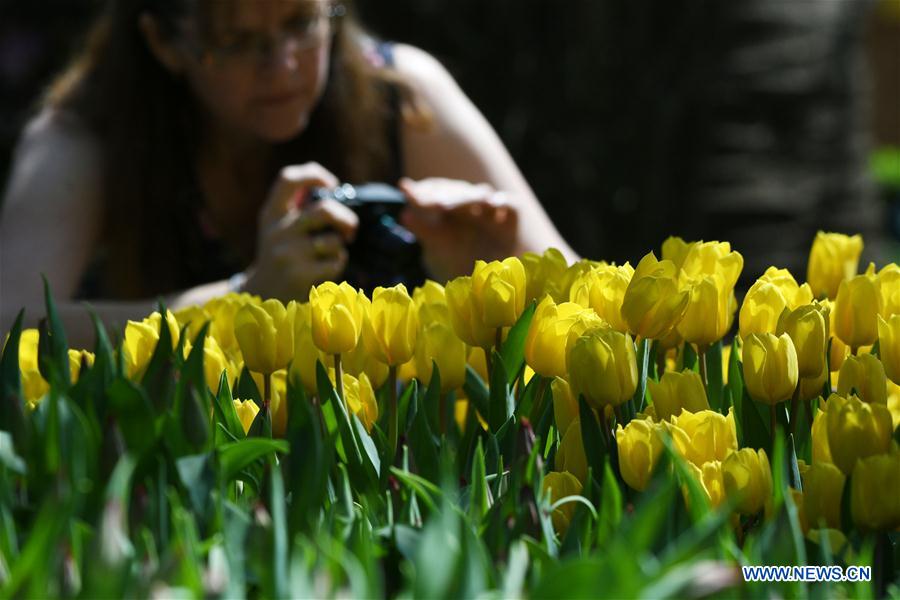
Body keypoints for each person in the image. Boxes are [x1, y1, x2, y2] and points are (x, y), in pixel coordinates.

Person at [0, 0, 576, 347]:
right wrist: (239, 301)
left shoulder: (401, 97)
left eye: (301, 22)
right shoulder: (87, 137)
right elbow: (7, 328)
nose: (281, 66)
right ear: (163, 42)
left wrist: (492, 276)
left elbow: (588, 297)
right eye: (238, 41)